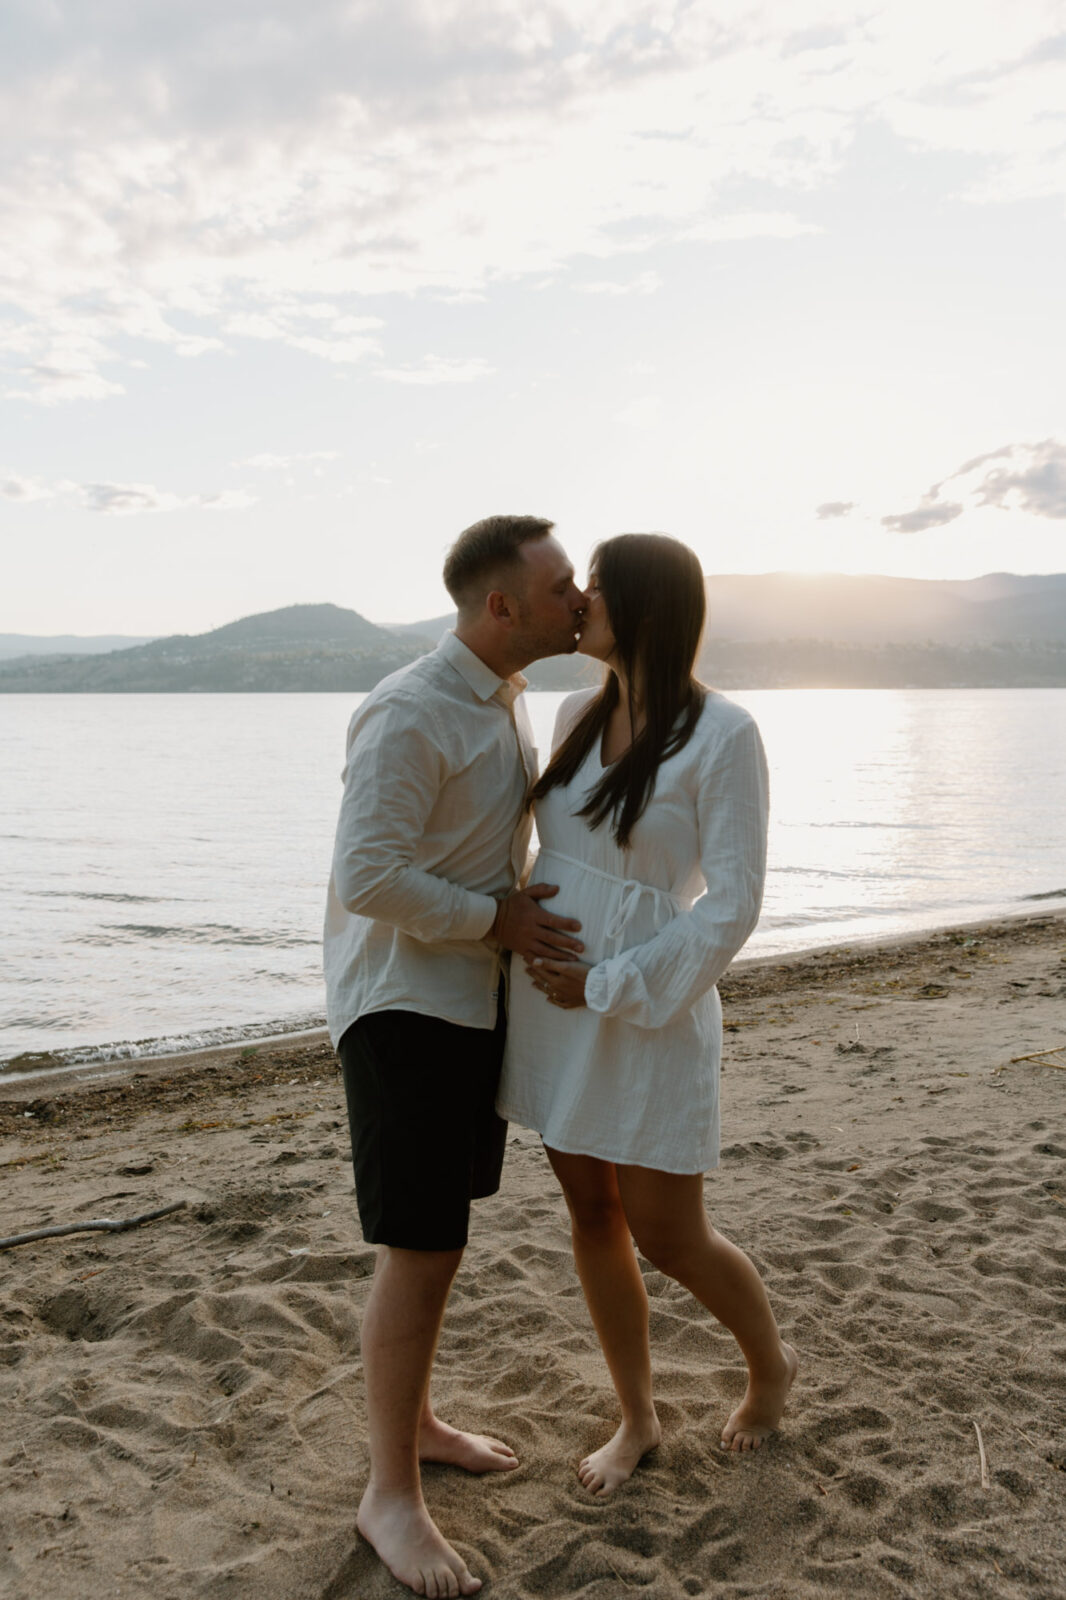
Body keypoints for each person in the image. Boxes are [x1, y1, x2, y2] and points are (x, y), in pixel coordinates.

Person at [497, 532, 797, 1496]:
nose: (580, 598)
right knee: (592, 1213)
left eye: (599, 586)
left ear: (645, 608)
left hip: (645, 1004)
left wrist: (608, 982)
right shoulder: (578, 711)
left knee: (670, 1233)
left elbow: (734, 902)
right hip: (554, 1004)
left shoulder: (724, 734)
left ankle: (769, 1367)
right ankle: (639, 1417)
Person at [324, 514, 589, 1598]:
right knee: (418, 1243)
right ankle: (389, 1491)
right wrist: (497, 920)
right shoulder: (410, 709)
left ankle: (419, 1424)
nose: (578, 598)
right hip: (405, 1006)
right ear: (501, 606)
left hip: (465, 1002)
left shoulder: (500, 696)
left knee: (438, 1238)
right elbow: (367, 877)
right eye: (563, 584)